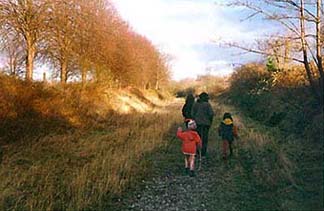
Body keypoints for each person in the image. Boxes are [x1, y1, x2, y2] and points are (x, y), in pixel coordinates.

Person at [191, 92, 214, 157]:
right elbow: (211, 114)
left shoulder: (195, 104)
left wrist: (195, 119)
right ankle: (203, 153)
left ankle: (197, 152)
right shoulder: (207, 105)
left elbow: (192, 114)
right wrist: (210, 122)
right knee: (204, 139)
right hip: (206, 124)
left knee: (197, 138)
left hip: (197, 124)